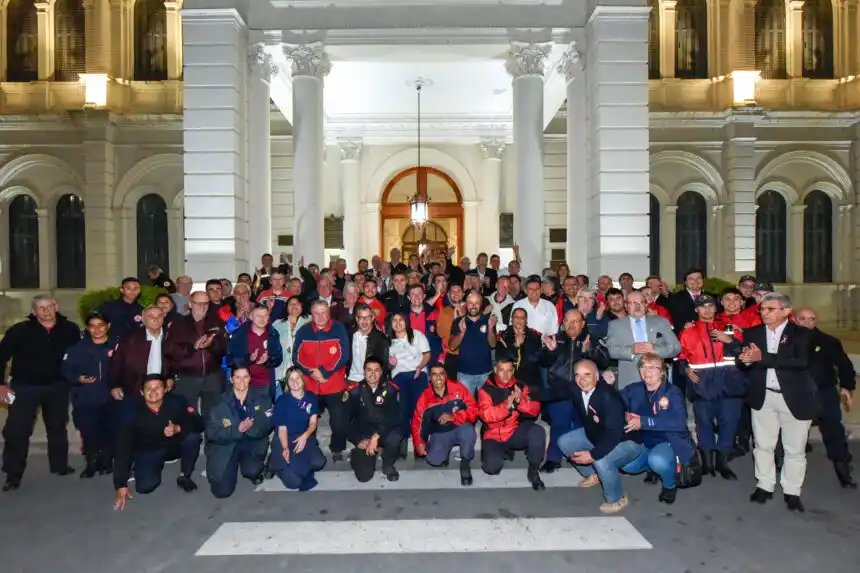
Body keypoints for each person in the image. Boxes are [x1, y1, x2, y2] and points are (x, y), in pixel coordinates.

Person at [738, 292, 818, 512]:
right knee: (763, 445)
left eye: (770, 309)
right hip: (763, 396)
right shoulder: (753, 332)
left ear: (785, 311)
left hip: (795, 397)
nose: (764, 313)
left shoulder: (802, 334)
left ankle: (792, 491)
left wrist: (761, 358)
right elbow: (746, 361)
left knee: (795, 449)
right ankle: (764, 485)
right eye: (762, 309)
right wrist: (744, 359)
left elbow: (800, 361)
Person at [0, 295, 82, 491]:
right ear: (34, 311)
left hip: (58, 386)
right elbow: (1, 357)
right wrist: (1, 384)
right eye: (40, 308)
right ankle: (13, 473)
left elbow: (78, 356)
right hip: (24, 387)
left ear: (56, 306)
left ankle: (59, 465)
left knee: (57, 427)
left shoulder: (70, 329)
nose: (45, 311)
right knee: (17, 430)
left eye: (49, 306)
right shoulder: (19, 331)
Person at [557, 360, 644, 514]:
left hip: (625, 440)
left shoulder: (608, 396)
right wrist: (523, 393)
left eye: (587, 375)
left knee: (601, 459)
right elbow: (552, 393)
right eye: (578, 375)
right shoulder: (575, 388)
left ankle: (617, 498)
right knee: (564, 442)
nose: (581, 379)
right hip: (596, 434)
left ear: (597, 376)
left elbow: (614, 433)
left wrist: (593, 455)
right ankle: (594, 474)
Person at [679, 295, 745, 480]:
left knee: (728, 424)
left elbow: (742, 354)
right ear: (696, 310)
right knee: (703, 425)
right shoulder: (688, 332)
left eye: (710, 306)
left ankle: (722, 463)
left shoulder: (729, 328)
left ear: (716, 309)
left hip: (729, 384)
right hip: (702, 385)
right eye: (702, 306)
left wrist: (729, 340)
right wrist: (685, 369)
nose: (707, 310)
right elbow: (681, 356)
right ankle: (707, 463)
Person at [113, 375, 204, 510]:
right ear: (142, 392)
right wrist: (120, 485)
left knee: (193, 438)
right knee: (145, 487)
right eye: (148, 389)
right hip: (148, 451)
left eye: (158, 387)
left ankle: (185, 475)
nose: (153, 392)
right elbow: (122, 447)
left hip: (173, 446)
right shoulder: (130, 411)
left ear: (165, 390)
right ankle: (139, 466)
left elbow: (199, 424)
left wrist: (178, 428)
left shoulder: (178, 402)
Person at [793, 307, 856, 488]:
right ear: (794, 319)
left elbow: (844, 365)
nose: (807, 322)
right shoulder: (785, 341)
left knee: (834, 431)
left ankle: (843, 468)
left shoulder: (829, 341)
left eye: (811, 319)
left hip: (824, 392)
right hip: (796, 393)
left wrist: (846, 386)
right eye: (803, 318)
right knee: (790, 431)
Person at [541, 309, 611, 473]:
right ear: (563, 323)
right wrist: (550, 352)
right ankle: (553, 459)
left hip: (585, 393)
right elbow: (542, 361)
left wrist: (590, 352)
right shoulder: (555, 340)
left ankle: (584, 458)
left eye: (575, 321)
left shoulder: (591, 340)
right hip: (559, 392)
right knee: (559, 424)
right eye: (567, 321)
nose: (571, 324)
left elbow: (605, 361)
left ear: (583, 323)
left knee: (584, 426)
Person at [620, 353, 695, 504]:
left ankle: (669, 485)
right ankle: (652, 469)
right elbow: (614, 403)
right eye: (643, 366)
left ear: (662, 371)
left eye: (652, 367)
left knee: (658, 460)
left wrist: (644, 422)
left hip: (668, 442)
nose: (647, 371)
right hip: (644, 442)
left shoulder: (672, 392)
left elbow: (678, 423)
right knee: (625, 463)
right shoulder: (633, 389)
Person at [293, 300, 351, 461]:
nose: (320, 316)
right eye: (316, 313)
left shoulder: (338, 328)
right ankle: (310, 448)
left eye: (324, 312)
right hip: (311, 385)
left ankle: (337, 448)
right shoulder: (304, 331)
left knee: (339, 421)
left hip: (333, 383)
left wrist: (325, 372)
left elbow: (344, 354)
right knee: (306, 420)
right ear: (311, 314)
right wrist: (311, 373)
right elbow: (296, 357)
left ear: (329, 313)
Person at [205, 363, 273, 498]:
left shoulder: (262, 397)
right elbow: (212, 433)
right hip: (227, 445)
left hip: (251, 442)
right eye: (237, 377)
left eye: (245, 377)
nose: (241, 381)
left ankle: (255, 468)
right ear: (231, 379)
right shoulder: (219, 402)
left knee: (252, 470)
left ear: (250, 379)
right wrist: (237, 429)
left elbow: (269, 423)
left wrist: (252, 427)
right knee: (222, 492)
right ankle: (222, 469)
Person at [477, 357, 546, 490]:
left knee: (538, 432)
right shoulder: (485, 389)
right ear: (495, 370)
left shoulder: (520, 386)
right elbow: (486, 415)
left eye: (509, 371)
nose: (506, 375)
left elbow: (535, 410)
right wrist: (506, 407)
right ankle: (502, 451)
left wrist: (521, 402)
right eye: (502, 371)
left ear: (513, 370)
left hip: (514, 430)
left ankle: (533, 470)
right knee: (491, 469)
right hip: (494, 435)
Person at [62, 312, 115, 478]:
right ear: (87, 328)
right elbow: (66, 370)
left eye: (101, 325)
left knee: (109, 431)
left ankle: (106, 461)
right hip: (86, 398)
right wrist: (78, 378)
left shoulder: (117, 346)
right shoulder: (77, 348)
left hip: (111, 398)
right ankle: (91, 463)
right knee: (89, 432)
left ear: (108, 326)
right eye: (92, 326)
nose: (97, 330)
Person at [412, 364, 478, 486]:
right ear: (430, 378)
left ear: (446, 376)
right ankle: (444, 452)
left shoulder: (459, 388)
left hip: (460, 427)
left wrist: (455, 417)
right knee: (434, 460)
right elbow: (417, 422)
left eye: (441, 374)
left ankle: (465, 463)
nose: (438, 378)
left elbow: (474, 411)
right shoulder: (425, 397)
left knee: (468, 430)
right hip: (440, 433)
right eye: (434, 374)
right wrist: (419, 442)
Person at [164, 291, 228, 418]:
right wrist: (192, 348)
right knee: (186, 416)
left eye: (205, 304)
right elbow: (169, 350)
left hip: (212, 376)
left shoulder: (216, 323)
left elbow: (224, 349)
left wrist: (212, 345)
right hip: (187, 377)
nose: (202, 307)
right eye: (198, 303)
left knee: (213, 416)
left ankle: (211, 438)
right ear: (190, 304)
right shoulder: (178, 324)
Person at [605, 290, 681, 389]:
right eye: (633, 303)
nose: (637, 306)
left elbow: (676, 347)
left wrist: (656, 350)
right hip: (629, 381)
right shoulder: (615, 325)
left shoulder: (661, 322)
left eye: (641, 302)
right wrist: (631, 351)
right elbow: (611, 350)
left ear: (646, 305)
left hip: (657, 379)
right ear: (626, 306)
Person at [270, 367, 327, 491]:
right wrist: (285, 448)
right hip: (286, 438)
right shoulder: (282, 400)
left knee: (318, 462)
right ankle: (276, 464)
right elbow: (282, 429)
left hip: (304, 436)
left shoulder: (311, 397)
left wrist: (305, 437)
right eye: (291, 379)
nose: (294, 382)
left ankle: (289, 465)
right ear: (287, 382)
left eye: (297, 378)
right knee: (293, 483)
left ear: (303, 380)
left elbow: (313, 423)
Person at [347, 356, 401, 482]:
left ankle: (388, 464)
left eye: (376, 370)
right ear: (364, 371)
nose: (372, 374)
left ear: (381, 372)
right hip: (363, 435)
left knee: (396, 435)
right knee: (364, 476)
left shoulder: (391, 389)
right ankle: (357, 454)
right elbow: (346, 421)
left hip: (383, 432)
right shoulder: (354, 392)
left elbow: (394, 418)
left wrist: (376, 436)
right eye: (369, 370)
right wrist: (358, 440)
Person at [386, 312, 431, 457]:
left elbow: (427, 354)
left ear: (406, 321)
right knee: (402, 408)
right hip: (400, 375)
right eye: (395, 320)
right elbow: (388, 366)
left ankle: (420, 442)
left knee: (419, 408)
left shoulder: (417, 335)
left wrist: (419, 366)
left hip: (418, 372)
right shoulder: (388, 342)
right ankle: (403, 439)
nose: (398, 323)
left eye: (401, 320)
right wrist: (390, 365)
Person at [108, 306, 171, 407]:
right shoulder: (130, 338)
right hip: (134, 388)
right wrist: (115, 385)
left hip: (161, 389)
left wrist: (170, 378)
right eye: (151, 317)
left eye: (159, 316)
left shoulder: (169, 336)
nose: (156, 319)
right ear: (143, 319)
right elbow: (117, 363)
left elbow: (175, 360)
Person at [226, 305, 283, 400]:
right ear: (251, 316)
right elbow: (230, 360)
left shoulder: (273, 334)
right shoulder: (239, 334)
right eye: (258, 316)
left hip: (264, 383)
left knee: (264, 413)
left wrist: (268, 360)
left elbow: (278, 359)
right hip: (242, 384)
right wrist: (248, 359)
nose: (262, 319)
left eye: (265, 315)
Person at [449, 290, 498, 395]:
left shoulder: (488, 321)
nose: (473, 306)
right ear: (466, 305)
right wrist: (462, 333)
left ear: (481, 304)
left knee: (486, 408)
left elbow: (493, 344)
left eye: (476, 303)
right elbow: (452, 347)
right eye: (470, 303)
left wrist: (490, 328)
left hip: (486, 373)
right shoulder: (458, 322)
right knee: (466, 408)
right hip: (464, 374)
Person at [272, 296, 310, 396]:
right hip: (283, 367)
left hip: (304, 367)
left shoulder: (310, 321)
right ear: (286, 307)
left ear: (302, 306)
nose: (294, 306)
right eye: (291, 304)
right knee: (282, 398)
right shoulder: (277, 324)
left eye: (297, 303)